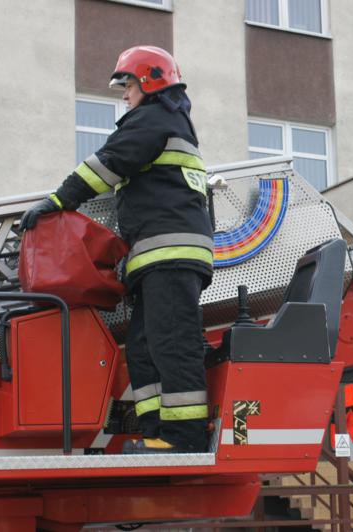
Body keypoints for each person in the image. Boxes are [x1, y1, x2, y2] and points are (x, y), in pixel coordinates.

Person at [20, 45, 213, 454]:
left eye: (127, 86)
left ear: (149, 81)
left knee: (172, 343)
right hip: (158, 257)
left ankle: (184, 439)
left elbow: (107, 164)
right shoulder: (166, 122)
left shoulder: (153, 119)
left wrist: (58, 202)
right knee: (145, 346)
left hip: (170, 255)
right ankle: (158, 432)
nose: (124, 96)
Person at [330, 383, 353, 460]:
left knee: (338, 429)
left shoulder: (336, 379)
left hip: (341, 405)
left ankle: (342, 455)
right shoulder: (351, 380)